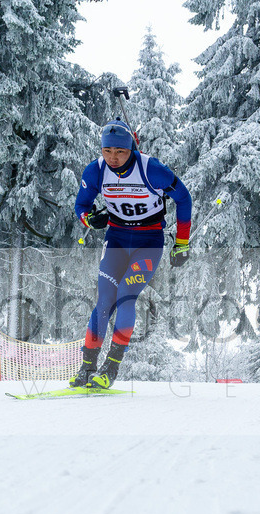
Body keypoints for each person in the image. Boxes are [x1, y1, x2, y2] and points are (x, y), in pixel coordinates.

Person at [70, 118, 192, 389]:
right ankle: (86, 368)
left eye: (120, 152)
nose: (113, 158)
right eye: (107, 151)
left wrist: (181, 242)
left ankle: (110, 368)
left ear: (131, 150)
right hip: (116, 239)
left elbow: (184, 198)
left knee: (126, 296)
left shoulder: (152, 169)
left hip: (148, 242)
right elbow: (81, 205)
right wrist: (90, 219)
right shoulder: (96, 171)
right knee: (104, 302)